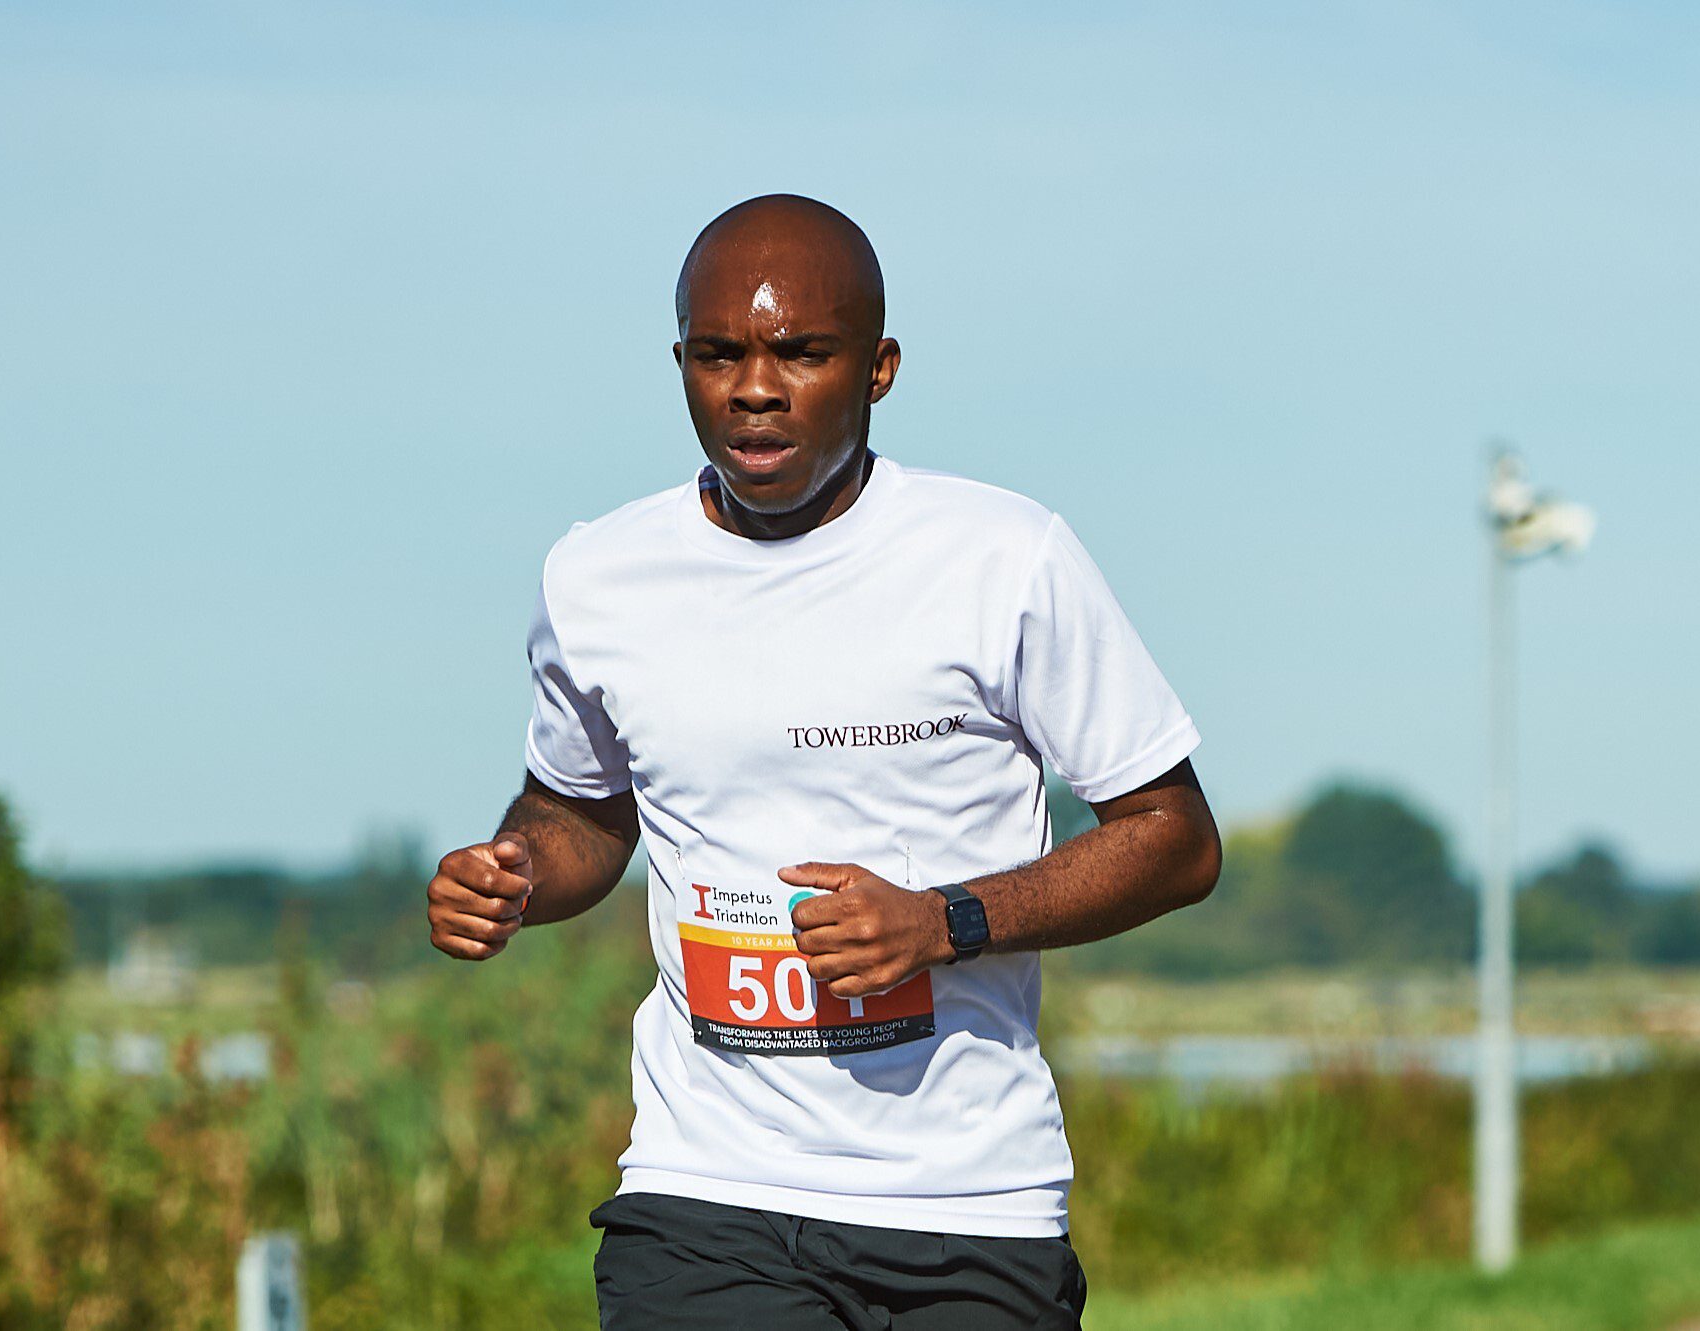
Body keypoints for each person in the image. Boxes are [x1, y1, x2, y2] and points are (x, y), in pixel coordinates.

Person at [421, 195, 1224, 1330]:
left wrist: (942, 921)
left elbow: (1175, 841)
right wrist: (510, 871)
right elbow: (581, 817)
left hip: (966, 1205)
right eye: (718, 355)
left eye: (801, 352)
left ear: (878, 367)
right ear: (682, 364)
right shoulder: (598, 573)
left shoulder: (1002, 557)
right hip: (704, 1195)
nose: (755, 386)